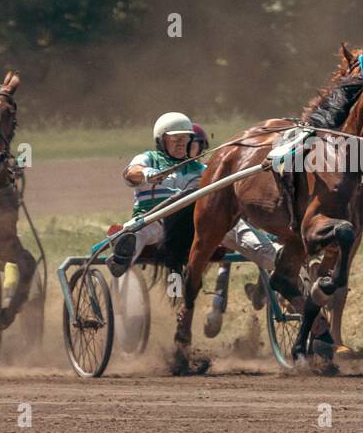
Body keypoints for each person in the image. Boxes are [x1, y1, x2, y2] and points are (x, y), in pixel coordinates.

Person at [109, 113, 279, 298]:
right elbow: (131, 173)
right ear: (161, 139)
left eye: (186, 138)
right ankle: (121, 261)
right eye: (176, 139)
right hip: (155, 221)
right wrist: (148, 173)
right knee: (134, 232)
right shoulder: (149, 159)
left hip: (195, 225)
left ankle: (276, 257)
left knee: (233, 225)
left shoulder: (201, 170)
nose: (182, 143)